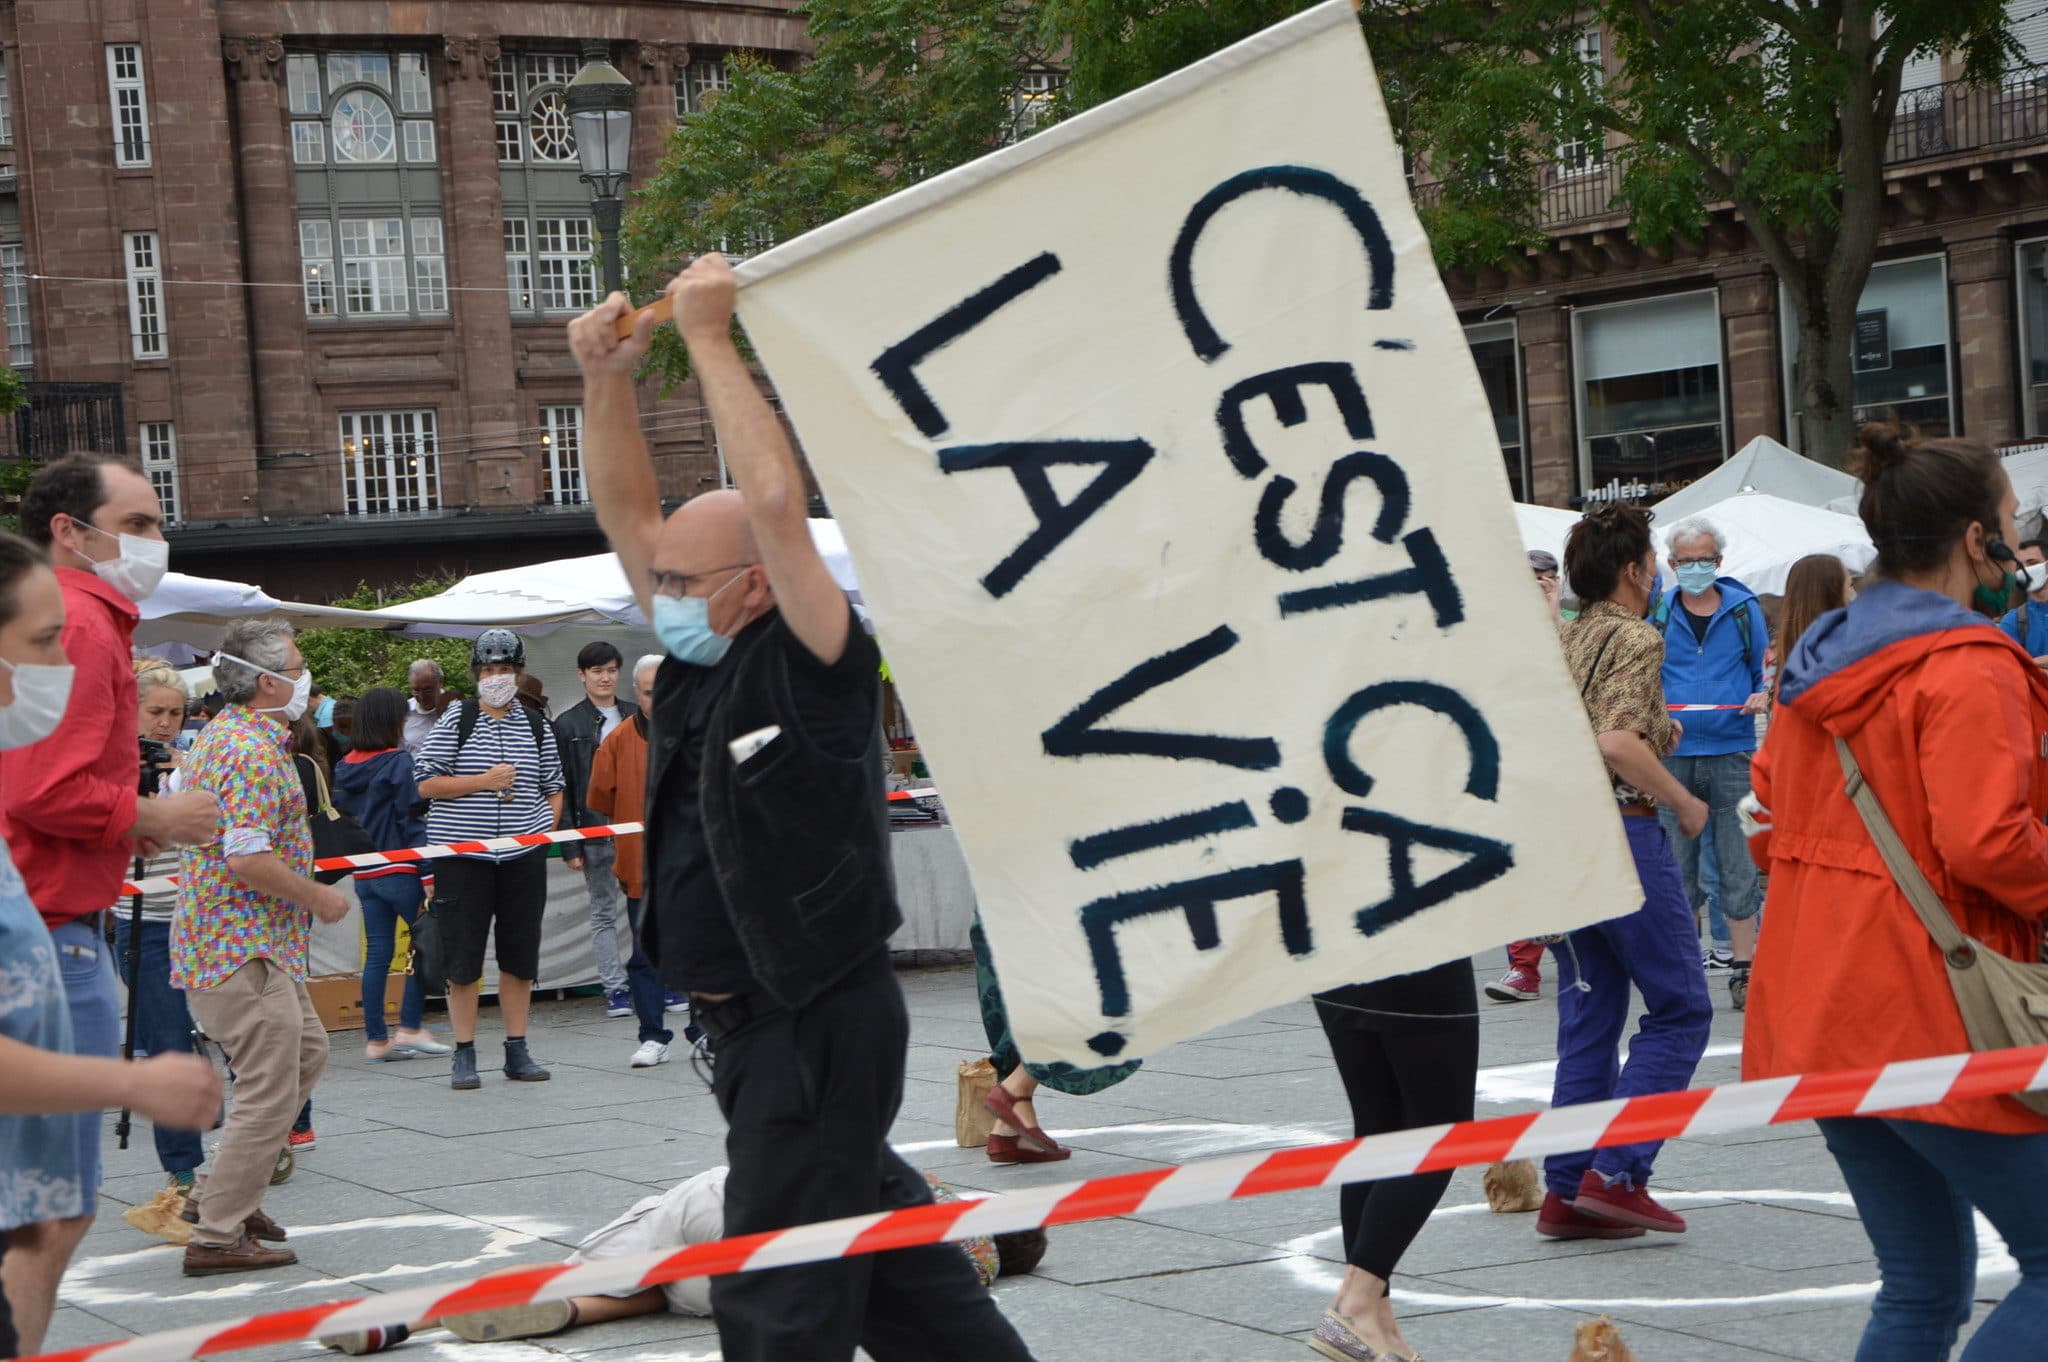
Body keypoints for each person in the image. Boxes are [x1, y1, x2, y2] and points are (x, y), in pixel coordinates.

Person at [571, 259, 1037, 1362]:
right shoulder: (695, 661)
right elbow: (630, 513)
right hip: (750, 1029)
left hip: (812, 1016)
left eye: (684, 584)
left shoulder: (818, 657)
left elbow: (777, 500)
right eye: (661, 584)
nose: (662, 598)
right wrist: (606, 379)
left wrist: (714, 340)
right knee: (899, 1273)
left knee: (780, 1295)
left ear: (759, 581)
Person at [1745, 425, 2048, 1361]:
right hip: (1932, 1007)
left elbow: (1768, 800)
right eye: (2008, 521)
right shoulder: (1966, 666)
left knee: (1919, 1288)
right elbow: (1988, 840)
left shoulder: (1820, 657)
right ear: (1975, 540)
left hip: (1817, 1006)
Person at [0, 455, 220, 1330]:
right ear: (69, 531)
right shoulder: (84, 618)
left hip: (54, 920)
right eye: (138, 524)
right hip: (52, 930)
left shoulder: (85, 618)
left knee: (48, 1207)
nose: (156, 542)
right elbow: (42, 789)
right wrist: (153, 815)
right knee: (47, 1209)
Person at [316, 1167, 1049, 1356]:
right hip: (750, 1280)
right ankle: (568, 1314)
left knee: (610, 1262)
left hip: (731, 1203)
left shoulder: (938, 1196)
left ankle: (395, 1321)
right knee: (669, 1293)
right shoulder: (969, 1272)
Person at [1539, 503, 1712, 1242]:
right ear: (1637, 569)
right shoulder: (1637, 636)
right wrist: (1682, 796)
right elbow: (1613, 741)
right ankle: (1617, 1172)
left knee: (1590, 1015)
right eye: (1655, 560)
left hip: (1562, 841)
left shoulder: (1568, 637)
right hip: (1623, 834)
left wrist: (1655, 731)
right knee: (1680, 1009)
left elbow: (1589, 729)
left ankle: (1564, 1188)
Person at [171, 618, 350, 1276]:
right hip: (237, 945)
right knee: (271, 1084)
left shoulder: (233, 735)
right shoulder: (246, 749)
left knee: (305, 1051)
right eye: (298, 668)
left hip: (249, 943)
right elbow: (247, 857)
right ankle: (217, 1232)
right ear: (268, 680)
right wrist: (318, 896)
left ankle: (224, 1195)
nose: (307, 680)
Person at [414, 629, 565, 1091]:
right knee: (463, 956)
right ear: (477, 674)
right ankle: (464, 1053)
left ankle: (517, 1048)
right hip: (464, 856)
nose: (495, 678)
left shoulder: (536, 723)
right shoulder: (457, 717)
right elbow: (425, 782)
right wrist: (483, 781)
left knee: (521, 955)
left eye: (504, 670)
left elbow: (554, 784)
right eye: (487, 670)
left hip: (522, 855)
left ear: (519, 674)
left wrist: (544, 832)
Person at [1307, 967, 1476, 1362]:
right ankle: (1357, 1305)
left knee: (1378, 1128)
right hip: (1415, 942)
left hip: (1332, 951)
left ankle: (1377, 1327)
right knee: (1441, 1134)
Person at [1656, 516, 1768, 1009]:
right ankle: (1686, 973)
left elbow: (1761, 671)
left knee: (1738, 864)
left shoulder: (1745, 610)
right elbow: (1646, 674)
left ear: (1719, 562)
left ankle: (1745, 969)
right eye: (1686, 561)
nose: (1696, 568)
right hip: (1674, 754)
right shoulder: (1657, 613)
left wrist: (1762, 695)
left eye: (1705, 560)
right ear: (1673, 564)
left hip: (1733, 751)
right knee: (1677, 871)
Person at [113, 661, 207, 1228]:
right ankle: (183, 1173)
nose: (168, 723)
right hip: (143, 924)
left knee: (249, 1033)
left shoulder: (194, 762)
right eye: (156, 712)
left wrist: (184, 782)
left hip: (200, 920)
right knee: (169, 1043)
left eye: (176, 712)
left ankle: (264, 1135)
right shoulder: (110, 767)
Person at [333, 687, 449, 1064]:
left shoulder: (344, 764)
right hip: (401, 867)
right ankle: (410, 1026)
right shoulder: (398, 761)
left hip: (364, 873)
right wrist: (428, 869)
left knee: (379, 955)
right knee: (425, 944)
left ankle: (376, 1039)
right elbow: (412, 817)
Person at [584, 655, 676, 1068]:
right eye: (652, 691)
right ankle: (653, 1034)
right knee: (644, 953)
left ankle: (707, 1030)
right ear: (637, 693)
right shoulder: (619, 738)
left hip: (694, 861)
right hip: (641, 861)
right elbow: (599, 796)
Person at [1488, 548, 1564, 1004]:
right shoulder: (1494, 627)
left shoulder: (1571, 622)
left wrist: (1553, 611)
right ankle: (1523, 967)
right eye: (1531, 578)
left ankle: (1588, 953)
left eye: (1547, 577)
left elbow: (1573, 666)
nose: (1539, 584)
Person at [553, 641, 638, 1021]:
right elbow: (562, 785)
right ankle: (615, 988)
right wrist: (571, 842)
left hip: (638, 830)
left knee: (648, 907)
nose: (605, 678)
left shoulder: (637, 715)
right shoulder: (567, 724)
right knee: (604, 909)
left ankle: (658, 980)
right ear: (582, 675)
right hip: (595, 829)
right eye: (597, 671)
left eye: (611, 670)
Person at [1771, 554, 1855, 705]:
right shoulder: (1848, 652)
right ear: (1832, 596)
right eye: (1849, 586)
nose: (1854, 594)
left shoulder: (1780, 656)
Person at [1996, 536, 2048, 664]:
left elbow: (2023, 667)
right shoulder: (2013, 620)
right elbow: (2009, 667)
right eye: (2020, 566)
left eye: (2032, 563)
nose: (2025, 570)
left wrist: (2031, 664)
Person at [403, 660, 455, 753]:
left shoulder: (456, 709)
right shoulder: (403, 712)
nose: (422, 696)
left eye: (427, 690)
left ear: (440, 682)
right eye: (416, 690)